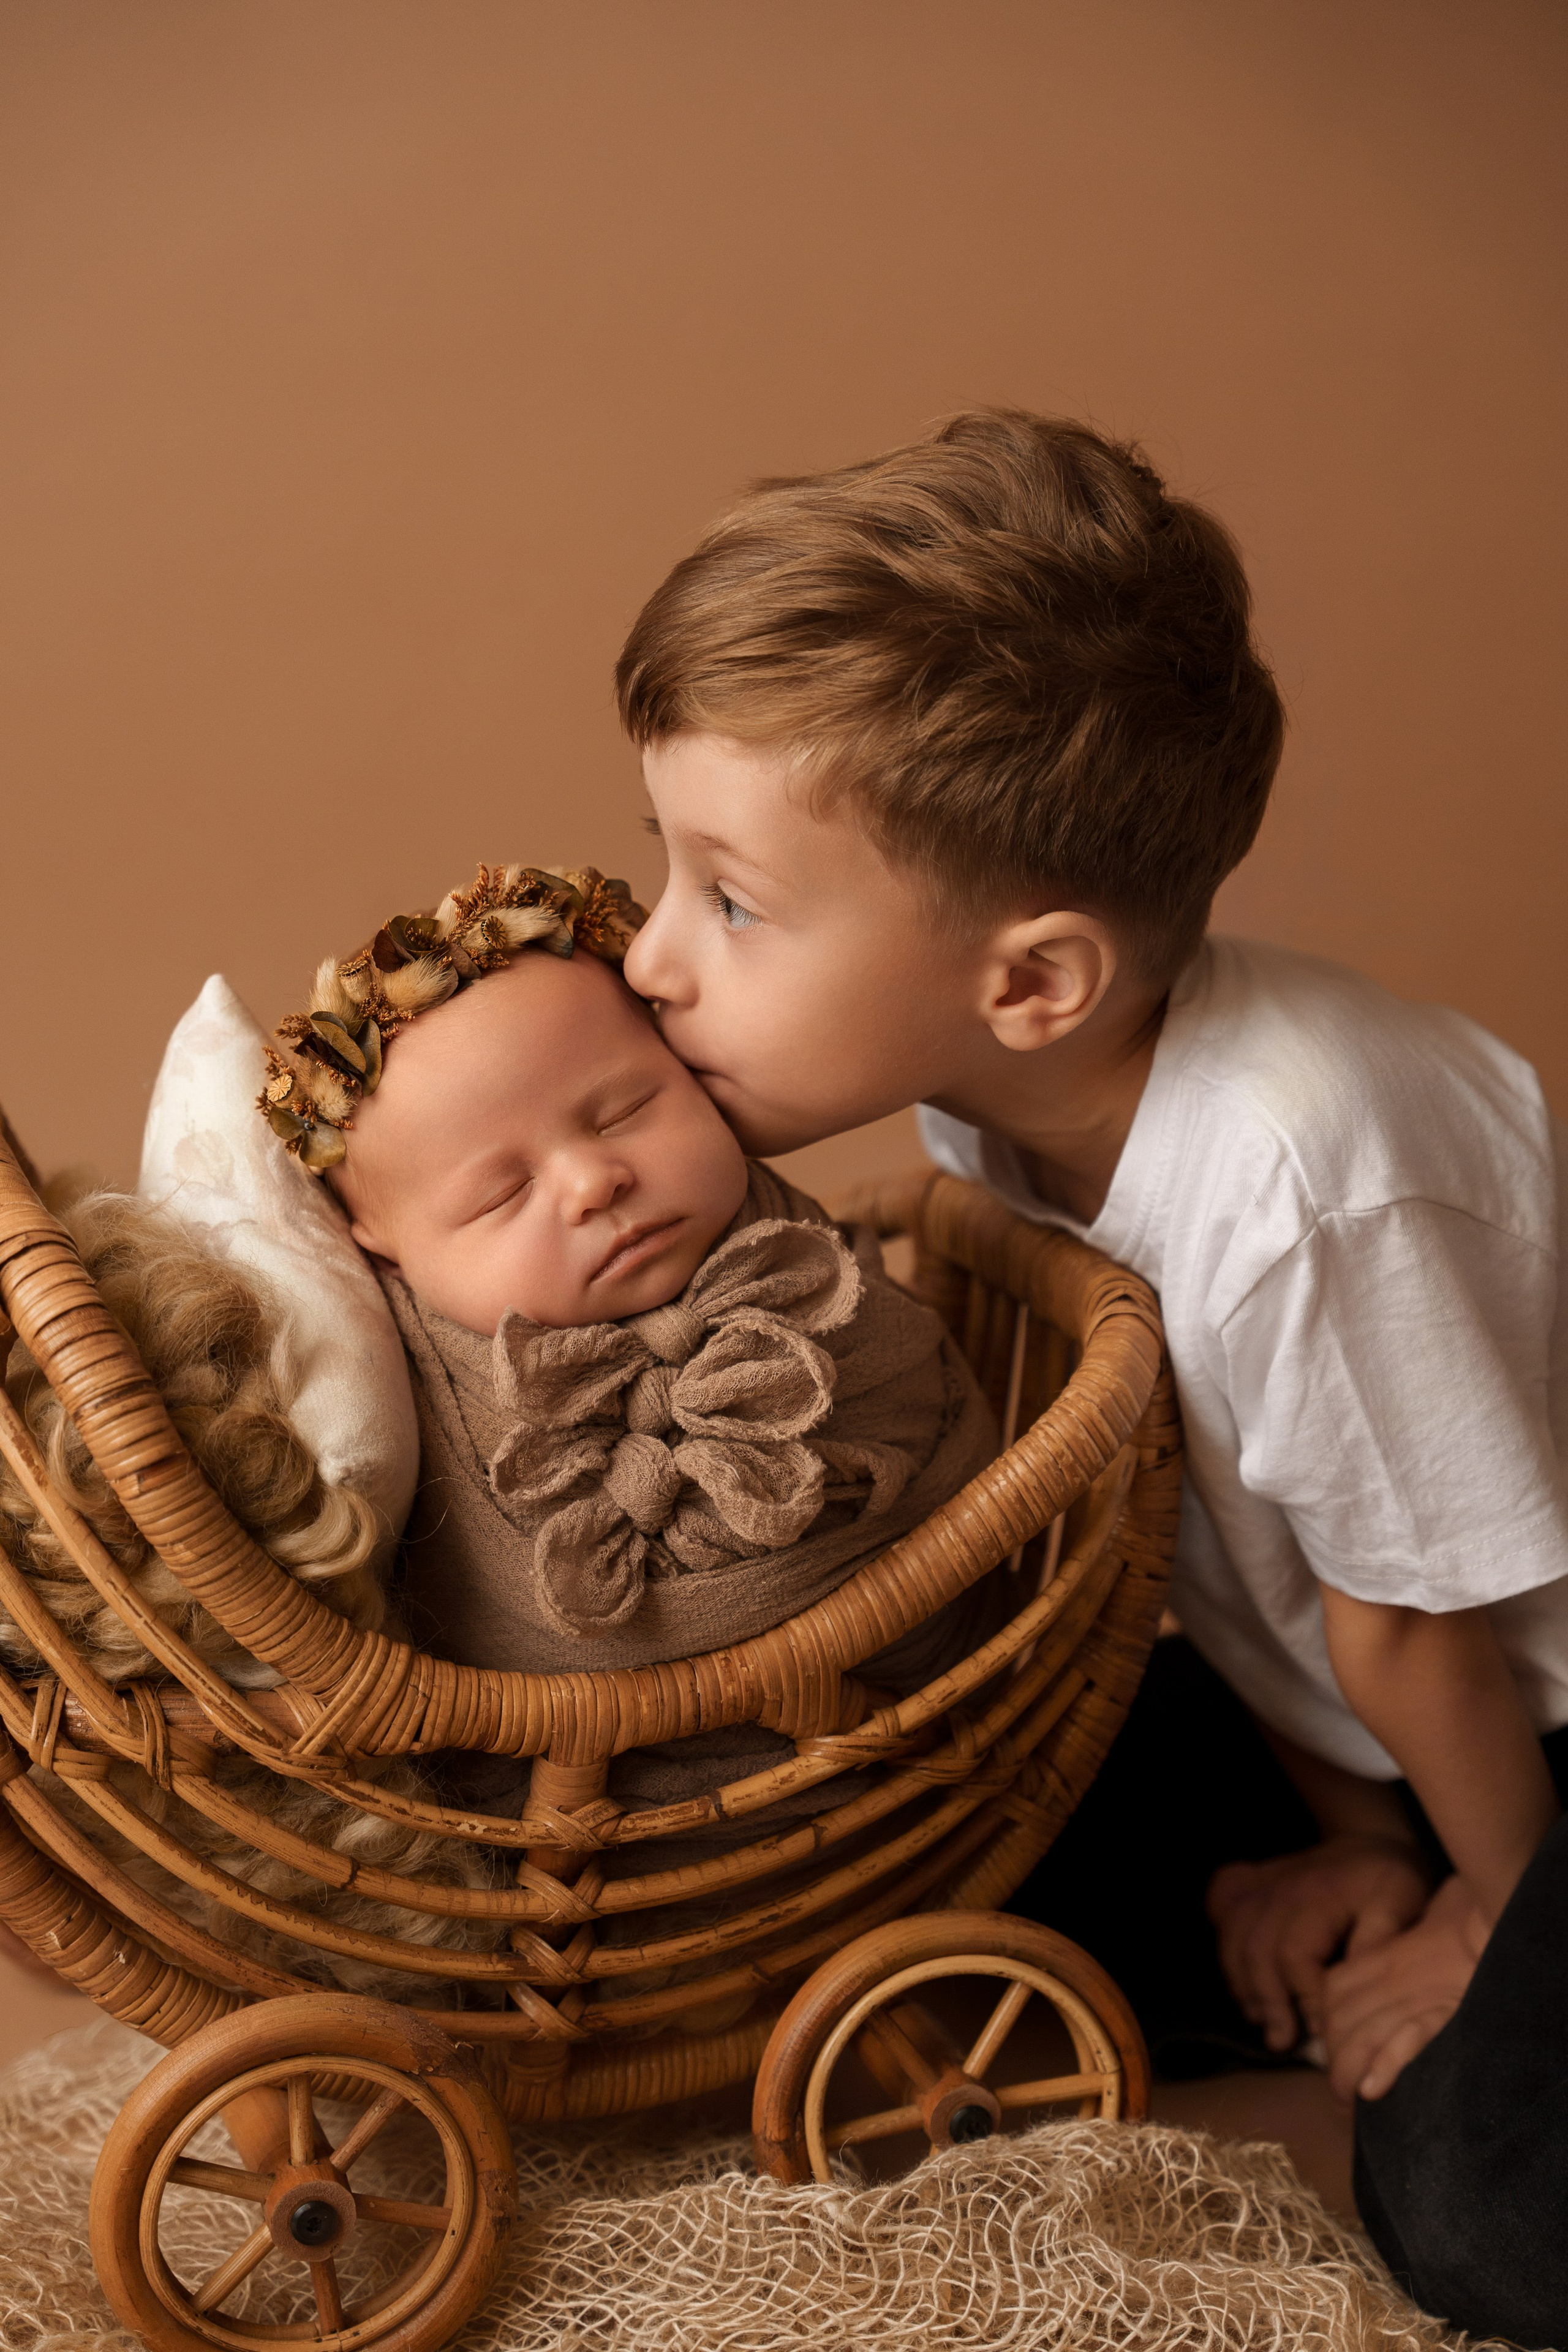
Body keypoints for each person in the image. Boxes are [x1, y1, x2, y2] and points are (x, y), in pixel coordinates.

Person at [613, 408, 1568, 2346]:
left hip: (1517, 1728)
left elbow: (1417, 1634)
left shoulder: (1303, 1176)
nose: (651, 960)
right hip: (1350, 1701)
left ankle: (1385, 2090)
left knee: (1505, 2226)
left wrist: (1476, 1907)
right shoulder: (1004, 1097)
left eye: (730, 900)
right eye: (668, 866)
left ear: (1032, 977)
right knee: (897, 1853)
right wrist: (1349, 1847)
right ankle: (1329, 1982)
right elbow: (1227, 1543)